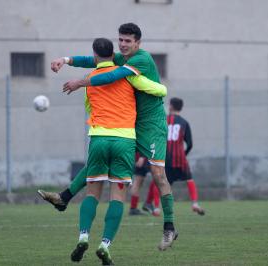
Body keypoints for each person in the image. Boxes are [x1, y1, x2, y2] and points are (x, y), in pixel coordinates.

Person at [39, 23, 177, 250]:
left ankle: (169, 228)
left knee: (158, 174)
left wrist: (79, 82)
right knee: (97, 164)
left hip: (151, 124)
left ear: (138, 43)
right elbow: (95, 60)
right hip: (130, 124)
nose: (122, 45)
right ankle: (64, 197)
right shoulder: (122, 57)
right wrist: (65, 60)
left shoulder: (141, 59)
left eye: (127, 41)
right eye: (120, 40)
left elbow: (112, 75)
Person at [68, 38, 167, 265]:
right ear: (114, 53)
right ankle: (105, 244)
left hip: (99, 137)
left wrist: (67, 62)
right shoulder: (127, 75)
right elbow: (155, 89)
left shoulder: (90, 79)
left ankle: (84, 235)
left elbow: (89, 107)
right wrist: (162, 89)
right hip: (125, 140)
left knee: (92, 191)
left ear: (95, 56)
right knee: (118, 196)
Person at [165, 97, 205, 215]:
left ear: (171, 106)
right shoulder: (184, 122)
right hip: (180, 158)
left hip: (166, 158)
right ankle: (194, 203)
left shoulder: (163, 120)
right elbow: (190, 144)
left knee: (164, 183)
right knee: (189, 180)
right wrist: (184, 154)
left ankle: (157, 208)